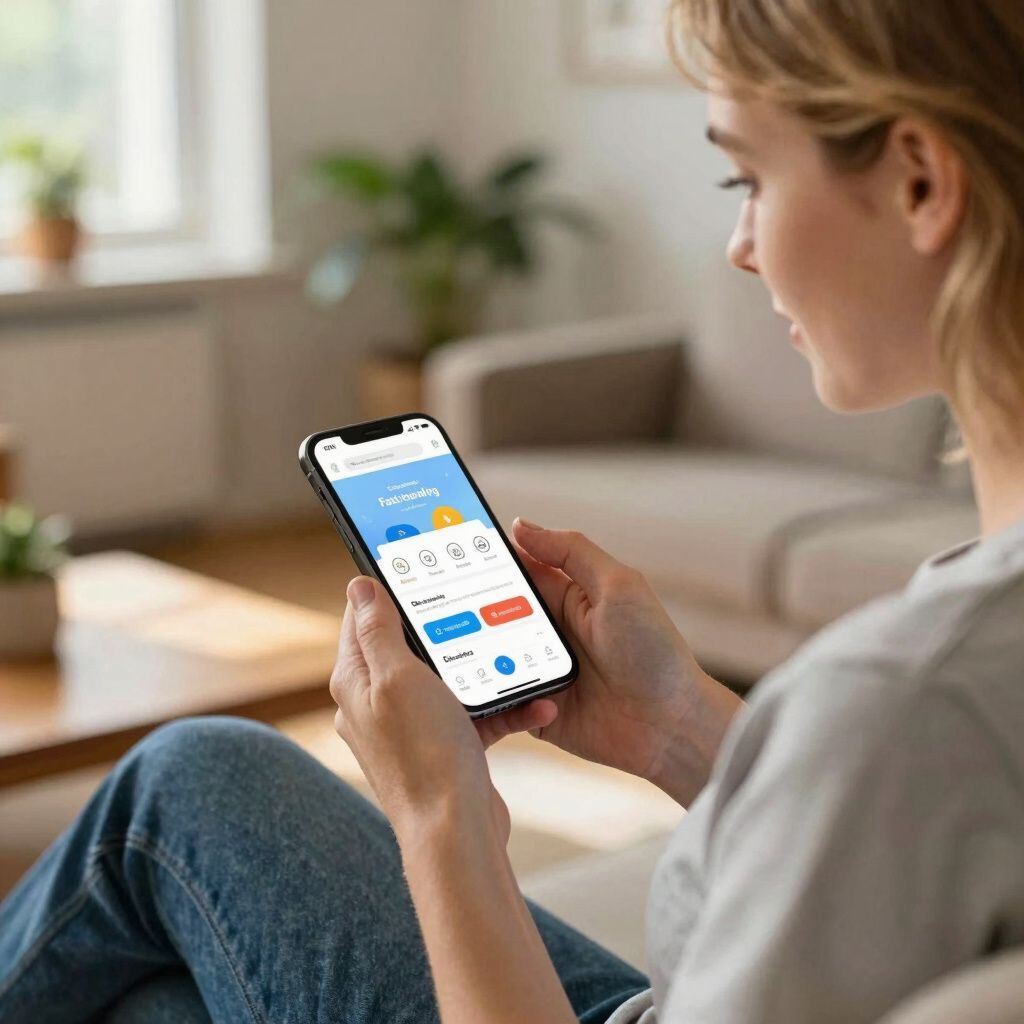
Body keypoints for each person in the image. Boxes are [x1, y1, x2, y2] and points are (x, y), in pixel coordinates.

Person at [4, 0, 1024, 1020]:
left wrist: (440, 813)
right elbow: (879, 842)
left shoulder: (906, 692)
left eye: (747, 178)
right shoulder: (946, 670)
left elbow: (888, 760)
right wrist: (673, 725)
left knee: (190, 778)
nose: (740, 246)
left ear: (919, 182)